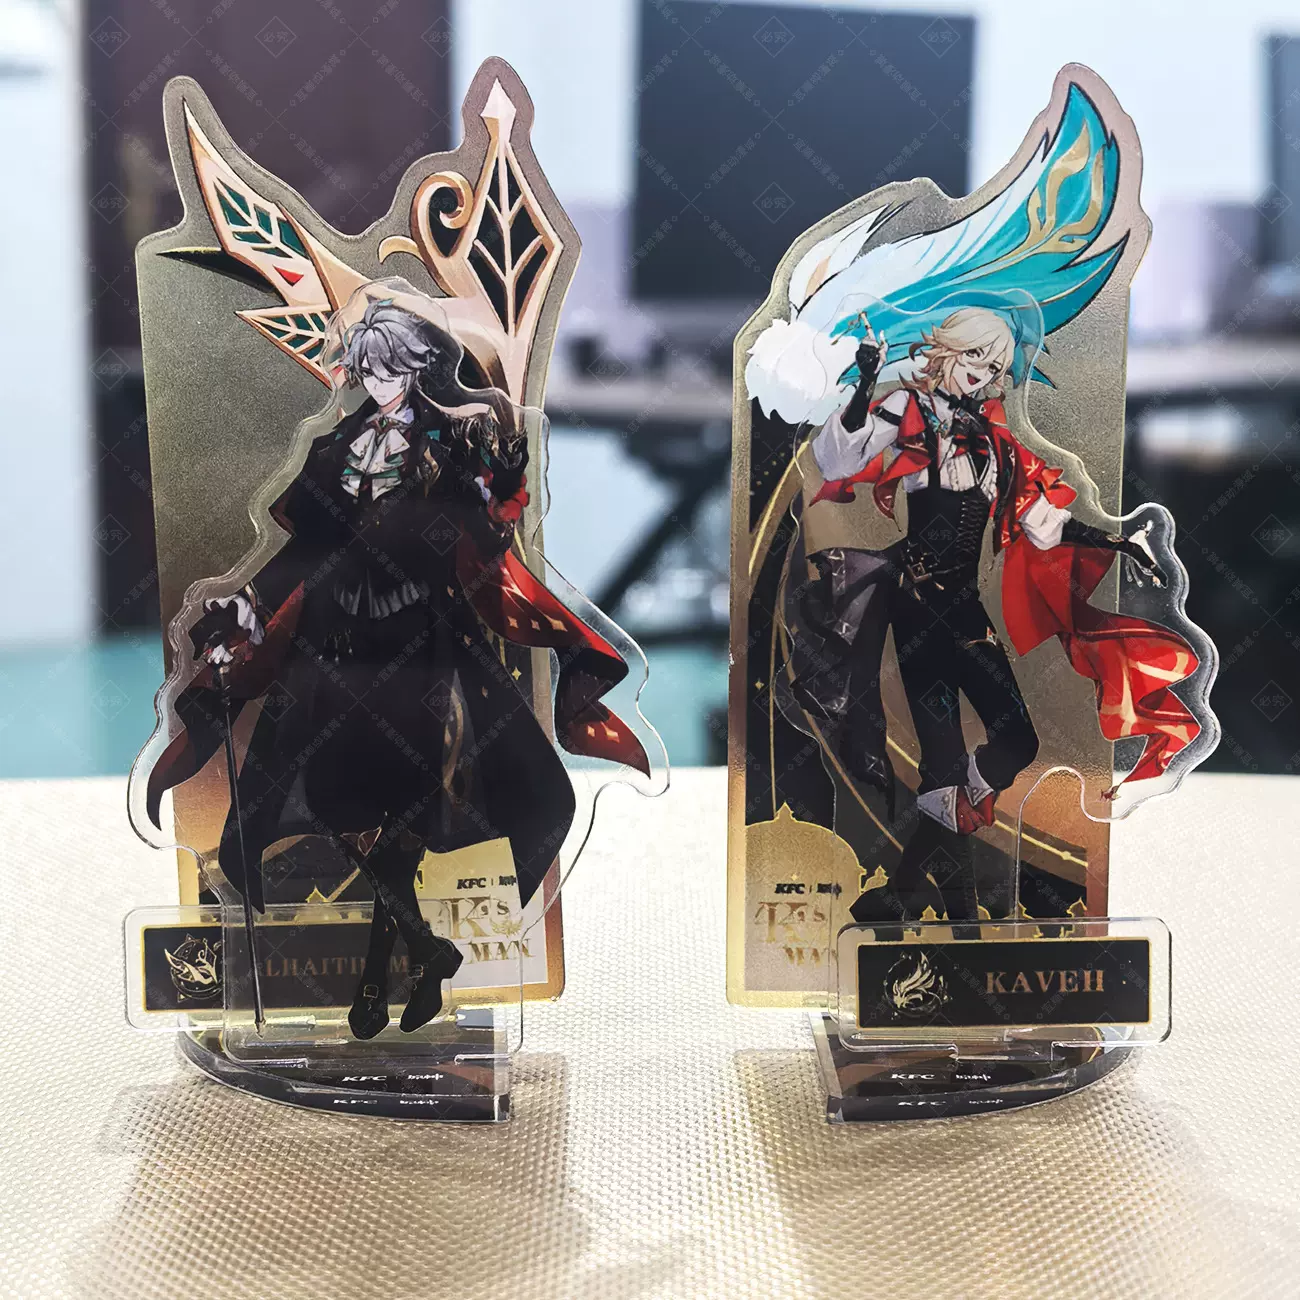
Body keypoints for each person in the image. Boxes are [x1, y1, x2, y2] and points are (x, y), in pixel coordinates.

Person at [147, 300, 648, 1037]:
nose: (377, 383)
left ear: (414, 368)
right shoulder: (337, 445)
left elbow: (489, 533)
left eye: (389, 369)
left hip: (421, 638)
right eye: (369, 370)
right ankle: (421, 953)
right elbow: (303, 549)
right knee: (328, 790)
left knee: (413, 802)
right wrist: (249, 610)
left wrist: (504, 483)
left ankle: (386, 979)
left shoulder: (454, 439)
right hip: (336, 637)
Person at [792, 307, 1171, 928]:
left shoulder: (994, 439)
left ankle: (901, 895)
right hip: (917, 606)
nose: (982, 373)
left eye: (994, 365)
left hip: (965, 608)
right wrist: (864, 383)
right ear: (948, 349)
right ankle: (961, 923)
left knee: (1017, 740)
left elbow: (1043, 526)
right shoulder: (908, 410)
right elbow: (835, 458)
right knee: (944, 770)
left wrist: (1121, 543)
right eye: (975, 356)